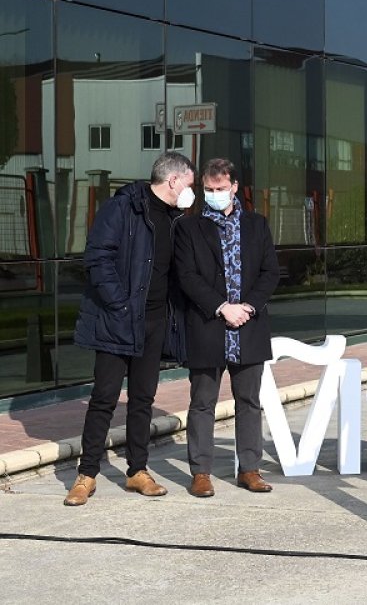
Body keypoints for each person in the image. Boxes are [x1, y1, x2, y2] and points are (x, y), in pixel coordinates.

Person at [64, 152, 195, 506]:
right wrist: (120, 303)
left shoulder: (174, 217)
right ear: (173, 180)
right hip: (118, 320)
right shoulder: (123, 207)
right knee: (104, 398)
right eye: (189, 183)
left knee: (143, 398)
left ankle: (137, 471)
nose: (191, 191)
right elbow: (97, 256)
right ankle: (86, 474)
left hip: (154, 323)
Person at [174, 159, 280, 498]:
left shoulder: (257, 225)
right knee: (202, 401)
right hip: (208, 326)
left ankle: (249, 469)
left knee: (249, 401)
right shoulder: (189, 229)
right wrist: (222, 307)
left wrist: (247, 307)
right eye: (209, 190)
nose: (215, 195)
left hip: (248, 325)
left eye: (221, 189)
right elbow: (187, 276)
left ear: (235, 187)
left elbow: (270, 273)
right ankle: (201, 472)